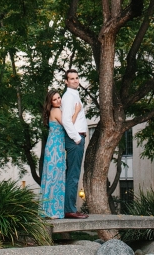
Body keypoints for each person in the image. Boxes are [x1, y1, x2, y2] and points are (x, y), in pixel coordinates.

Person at [61, 69, 89, 218]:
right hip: (74, 139)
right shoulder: (68, 97)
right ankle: (70, 210)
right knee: (72, 175)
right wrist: (77, 138)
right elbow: (66, 121)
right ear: (66, 81)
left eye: (77, 78)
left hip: (77, 138)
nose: (75, 80)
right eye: (71, 79)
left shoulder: (74, 95)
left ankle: (70, 208)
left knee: (73, 175)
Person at [39, 89, 67, 219]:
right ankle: (51, 212)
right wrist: (77, 112)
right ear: (50, 102)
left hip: (55, 146)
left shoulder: (54, 110)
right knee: (53, 177)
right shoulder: (56, 111)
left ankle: (48, 211)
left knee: (52, 177)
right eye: (54, 99)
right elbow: (67, 124)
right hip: (55, 147)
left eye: (59, 98)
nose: (58, 101)